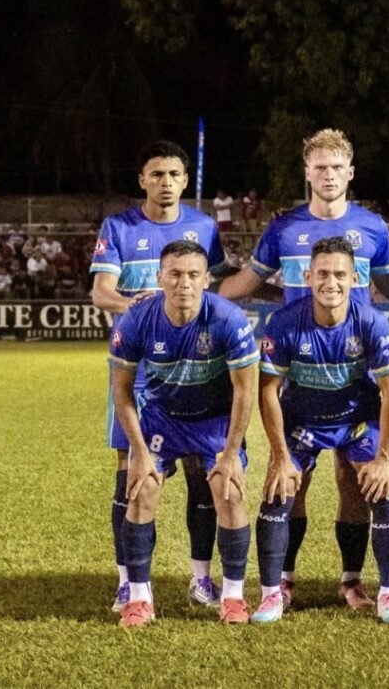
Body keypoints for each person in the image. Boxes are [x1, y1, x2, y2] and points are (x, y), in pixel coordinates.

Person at [219, 128, 389, 611]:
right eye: (320, 168)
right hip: (300, 368)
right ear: (307, 173)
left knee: (356, 481)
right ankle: (283, 581)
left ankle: (352, 582)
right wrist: (193, 297)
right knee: (292, 480)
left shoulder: (372, 228)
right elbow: (248, 281)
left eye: (336, 168)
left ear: (350, 172)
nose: (328, 175)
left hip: (354, 376)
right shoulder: (284, 228)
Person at [90, 140, 227, 613]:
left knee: (199, 471)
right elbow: (101, 292)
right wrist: (140, 306)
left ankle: (201, 578)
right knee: (131, 471)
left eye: (173, 174)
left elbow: (217, 285)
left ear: (185, 181)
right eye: (156, 174)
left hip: (193, 369)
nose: (165, 182)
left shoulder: (204, 227)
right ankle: (127, 581)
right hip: (136, 370)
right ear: (142, 180)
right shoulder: (119, 227)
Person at [251, 237, 389, 624]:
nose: (331, 282)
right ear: (308, 277)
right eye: (322, 273)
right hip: (303, 419)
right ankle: (276, 589)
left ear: (356, 279)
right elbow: (267, 391)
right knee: (281, 491)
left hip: (356, 420)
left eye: (340, 274)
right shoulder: (285, 323)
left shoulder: (370, 322)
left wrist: (385, 459)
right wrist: (280, 457)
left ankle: (377, 591)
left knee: (377, 490)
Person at [109, 240, 258, 627]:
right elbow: (122, 392)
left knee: (229, 490)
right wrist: (138, 451)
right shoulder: (136, 320)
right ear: (160, 277)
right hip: (163, 418)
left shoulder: (228, 318)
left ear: (207, 280)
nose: (184, 283)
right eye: (174, 274)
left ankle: (233, 597)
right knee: (141, 488)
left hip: (214, 420)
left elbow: (245, 391)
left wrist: (230, 453)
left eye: (193, 274)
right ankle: (139, 598)